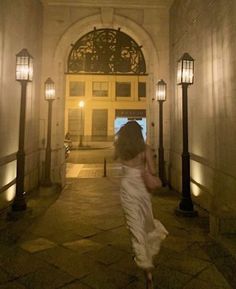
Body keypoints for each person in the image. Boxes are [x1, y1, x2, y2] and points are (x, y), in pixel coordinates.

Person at [114, 121, 168, 289]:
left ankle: (145, 262)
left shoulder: (122, 149)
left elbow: (123, 168)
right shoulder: (145, 149)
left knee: (134, 224)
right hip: (142, 190)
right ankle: (147, 260)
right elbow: (152, 171)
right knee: (146, 222)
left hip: (127, 189)